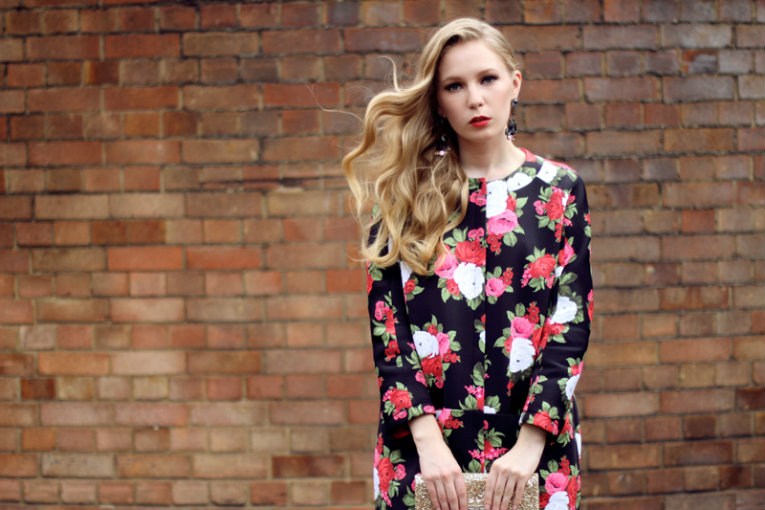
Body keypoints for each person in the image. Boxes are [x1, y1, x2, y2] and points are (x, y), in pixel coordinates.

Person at [343, 18, 593, 510]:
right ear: (438, 101)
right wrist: (428, 445)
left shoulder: (560, 191)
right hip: (423, 455)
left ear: (514, 84)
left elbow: (570, 324)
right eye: (455, 86)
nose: (475, 98)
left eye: (487, 79)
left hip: (535, 453)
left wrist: (530, 445)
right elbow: (389, 332)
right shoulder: (402, 196)